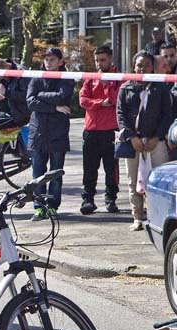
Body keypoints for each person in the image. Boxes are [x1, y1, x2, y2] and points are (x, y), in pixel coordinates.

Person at [116, 51, 172, 231]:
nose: (142, 68)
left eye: (147, 65)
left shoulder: (160, 88)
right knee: (133, 180)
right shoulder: (126, 88)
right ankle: (137, 217)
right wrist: (132, 137)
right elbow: (120, 114)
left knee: (159, 180)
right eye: (139, 65)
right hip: (133, 141)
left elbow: (167, 114)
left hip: (156, 141)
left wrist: (157, 137)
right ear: (134, 66)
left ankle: (157, 217)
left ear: (152, 68)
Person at [26, 47, 74, 221]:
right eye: (46, 59)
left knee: (55, 173)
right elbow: (31, 102)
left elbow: (62, 96)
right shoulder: (36, 78)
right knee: (38, 174)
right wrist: (54, 107)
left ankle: (53, 206)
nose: (48, 62)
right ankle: (39, 207)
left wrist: (42, 97)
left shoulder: (66, 78)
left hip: (57, 133)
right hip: (38, 132)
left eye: (52, 59)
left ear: (61, 62)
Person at [78, 45, 120, 215]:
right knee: (89, 167)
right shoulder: (90, 78)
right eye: (96, 60)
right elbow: (82, 100)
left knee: (111, 168)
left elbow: (117, 100)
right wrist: (99, 104)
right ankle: (88, 199)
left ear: (110, 59)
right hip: (91, 130)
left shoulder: (119, 77)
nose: (99, 64)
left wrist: (107, 86)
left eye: (102, 60)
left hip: (110, 130)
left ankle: (111, 199)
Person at [0, 58, 31, 177]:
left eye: (0, 75)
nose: (0, 78)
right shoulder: (1, 74)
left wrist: (7, 93)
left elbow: (26, 95)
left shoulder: (21, 73)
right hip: (4, 112)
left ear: (6, 68)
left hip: (19, 114)